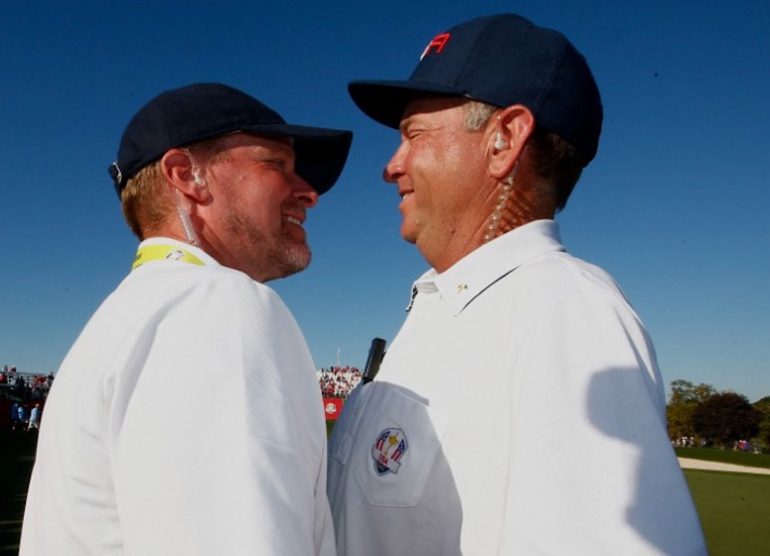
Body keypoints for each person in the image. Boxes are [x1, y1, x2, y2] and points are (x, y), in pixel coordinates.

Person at [327, 14, 706, 555]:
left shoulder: (562, 312)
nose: (392, 165)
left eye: (413, 135)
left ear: (504, 139)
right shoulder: (452, 309)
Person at [21, 83, 352, 555]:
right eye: (276, 164)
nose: (309, 193)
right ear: (186, 174)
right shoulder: (217, 306)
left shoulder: (122, 319)